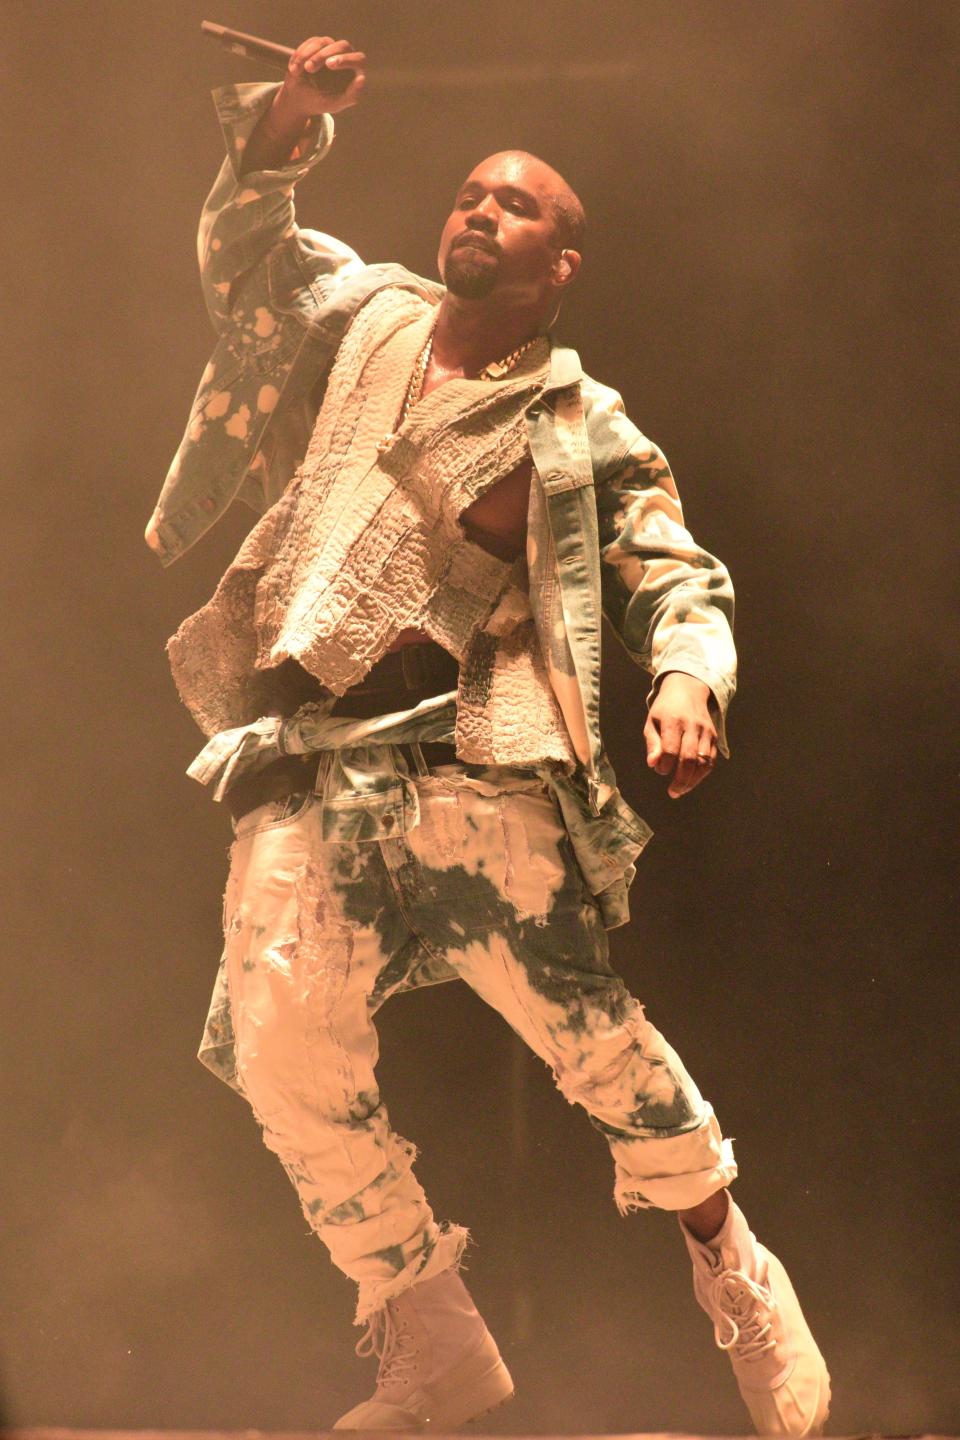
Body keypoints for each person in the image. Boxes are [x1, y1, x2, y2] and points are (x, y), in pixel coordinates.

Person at [147, 34, 831, 1437]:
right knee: (280, 1044)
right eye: (470, 191)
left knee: (598, 1049)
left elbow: (677, 570)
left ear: (560, 262)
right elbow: (244, 255)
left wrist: (690, 677)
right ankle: (428, 1333)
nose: (479, 211)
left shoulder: (579, 422)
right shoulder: (362, 315)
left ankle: (735, 1269)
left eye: (515, 205)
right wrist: (289, 116)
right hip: (308, 762)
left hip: (465, 776)